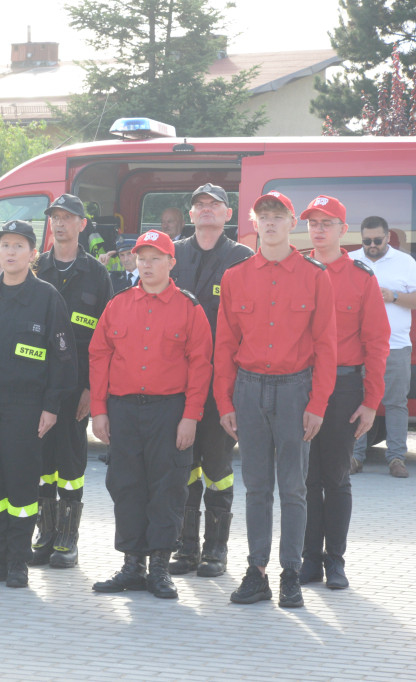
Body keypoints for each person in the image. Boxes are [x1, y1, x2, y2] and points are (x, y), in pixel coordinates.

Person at [215, 191, 336, 608]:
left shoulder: (315, 275)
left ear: (291, 223)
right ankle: (257, 572)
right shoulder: (235, 276)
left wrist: (317, 403)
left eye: (278, 216)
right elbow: (225, 343)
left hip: (294, 390)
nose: (270, 222)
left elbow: (326, 345)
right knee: (256, 488)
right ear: (253, 222)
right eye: (263, 215)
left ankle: (290, 575)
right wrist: (224, 402)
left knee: (294, 488)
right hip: (248, 390)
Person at [0, 220, 76, 588]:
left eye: (18, 246)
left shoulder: (47, 298)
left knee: (21, 485)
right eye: (4, 245)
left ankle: (19, 561)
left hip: (25, 407)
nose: (10, 252)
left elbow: (63, 359)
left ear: (33, 254)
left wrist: (52, 406)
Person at [89, 229, 212, 600]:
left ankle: (159, 566)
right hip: (123, 409)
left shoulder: (189, 308)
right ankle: (132, 565)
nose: (146, 265)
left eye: (155, 258)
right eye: (142, 258)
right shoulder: (118, 304)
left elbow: (201, 365)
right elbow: (99, 356)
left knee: (167, 487)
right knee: (125, 485)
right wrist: (99, 411)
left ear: (172, 263)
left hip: (169, 411)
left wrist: (190, 416)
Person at [301, 196, 389, 589]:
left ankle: (334, 561)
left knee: (335, 478)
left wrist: (371, 402)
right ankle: (308, 562)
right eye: (312, 222)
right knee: (303, 480)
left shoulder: (361, 276)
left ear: (342, 229)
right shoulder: (295, 270)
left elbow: (377, 342)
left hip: (342, 386)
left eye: (327, 222)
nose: (318, 229)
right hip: (298, 384)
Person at [167, 183, 254, 579]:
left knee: (216, 465)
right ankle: (185, 549)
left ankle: (215, 550)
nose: (206, 210)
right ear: (191, 214)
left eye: (213, 205)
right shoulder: (173, 253)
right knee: (183, 464)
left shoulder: (241, 259)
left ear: (227, 214)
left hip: (222, 383)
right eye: (199, 204)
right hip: (177, 381)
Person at [30, 194, 112, 568]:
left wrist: (93, 391)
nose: (59, 224)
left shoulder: (97, 274)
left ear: (82, 224)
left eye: (68, 217)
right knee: (41, 461)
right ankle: (45, 532)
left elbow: (107, 341)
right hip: (37, 386)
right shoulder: (35, 268)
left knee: (71, 463)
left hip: (77, 387)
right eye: (55, 217)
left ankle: (67, 537)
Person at [350, 215, 416, 478]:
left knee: (396, 403)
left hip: (396, 346)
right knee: (358, 401)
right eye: (367, 241)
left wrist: (394, 296)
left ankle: (396, 458)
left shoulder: (405, 262)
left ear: (388, 237)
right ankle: (355, 457)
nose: (372, 245)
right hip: (359, 347)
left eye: (377, 240)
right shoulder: (352, 261)